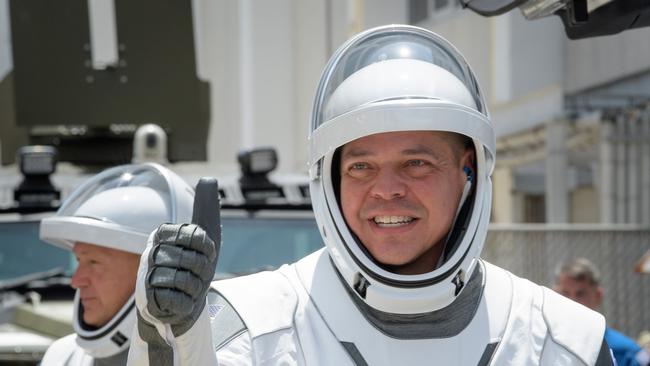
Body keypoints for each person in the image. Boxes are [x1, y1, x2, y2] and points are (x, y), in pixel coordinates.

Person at [128, 25, 615, 365]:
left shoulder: (565, 340)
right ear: (330, 180)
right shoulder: (243, 326)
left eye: (417, 163)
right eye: (361, 166)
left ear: (470, 170)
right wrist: (165, 335)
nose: (386, 190)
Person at [38, 163, 194, 365]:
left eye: (94, 262)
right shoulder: (61, 357)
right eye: (79, 261)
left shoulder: (208, 358)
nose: (76, 281)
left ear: (154, 273)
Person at [555, 258, 650, 366]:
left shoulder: (627, 353)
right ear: (553, 294)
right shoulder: (543, 344)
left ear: (598, 296)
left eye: (580, 294)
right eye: (565, 293)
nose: (572, 301)